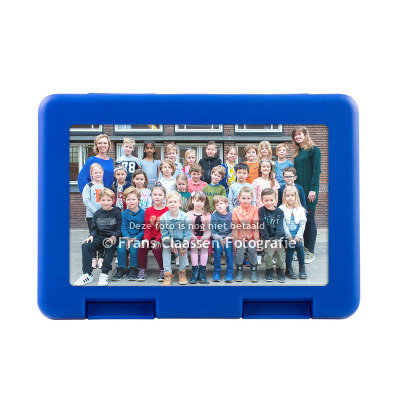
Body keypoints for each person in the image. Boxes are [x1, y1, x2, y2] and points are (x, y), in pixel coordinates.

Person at [74, 189, 121, 286]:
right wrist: (91, 235)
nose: (106, 202)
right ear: (99, 200)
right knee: (86, 245)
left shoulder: (117, 212)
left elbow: (119, 229)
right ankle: (87, 274)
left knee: (108, 244)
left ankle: (104, 273)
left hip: (113, 237)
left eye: (108, 200)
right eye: (103, 200)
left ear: (113, 201)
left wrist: (113, 237)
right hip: (100, 236)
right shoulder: (97, 213)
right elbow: (94, 228)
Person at [292, 126, 321, 263]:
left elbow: (316, 171)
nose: (297, 137)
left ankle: (310, 252)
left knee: (309, 219)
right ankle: (302, 250)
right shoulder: (298, 152)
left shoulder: (314, 150)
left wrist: (313, 189)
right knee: (300, 220)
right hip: (299, 190)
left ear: (305, 135)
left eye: (299, 134)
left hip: (310, 190)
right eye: (295, 135)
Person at [160, 191, 192, 286]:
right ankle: (167, 273)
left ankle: (182, 271)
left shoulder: (185, 217)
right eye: (170, 202)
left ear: (180, 203)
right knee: (166, 249)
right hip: (169, 240)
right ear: (166, 203)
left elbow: (188, 233)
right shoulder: (163, 217)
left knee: (183, 250)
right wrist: (171, 243)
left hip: (182, 239)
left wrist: (183, 244)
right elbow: (164, 234)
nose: (172, 204)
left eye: (175, 202)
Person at [113, 187, 145, 281]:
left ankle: (133, 268)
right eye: (129, 199)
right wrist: (127, 238)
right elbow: (123, 227)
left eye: (133, 199)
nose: (131, 202)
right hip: (127, 237)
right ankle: (121, 268)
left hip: (138, 237)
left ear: (138, 200)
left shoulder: (143, 213)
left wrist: (134, 239)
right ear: (125, 201)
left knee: (134, 247)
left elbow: (144, 229)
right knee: (120, 247)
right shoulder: (124, 214)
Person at [138, 185, 169, 282]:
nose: (157, 197)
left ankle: (162, 269)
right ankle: (142, 268)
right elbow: (147, 227)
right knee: (142, 246)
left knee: (156, 247)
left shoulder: (167, 210)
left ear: (164, 196)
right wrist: (146, 239)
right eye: (154, 195)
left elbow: (166, 229)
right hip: (150, 236)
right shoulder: (148, 210)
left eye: (160, 195)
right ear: (151, 196)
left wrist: (158, 240)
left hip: (163, 237)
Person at [232, 187, 259, 282]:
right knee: (240, 251)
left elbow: (255, 226)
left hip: (251, 237)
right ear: (239, 198)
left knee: (252, 251)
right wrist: (235, 241)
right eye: (243, 198)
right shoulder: (235, 210)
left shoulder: (255, 209)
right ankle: (239, 270)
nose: (246, 201)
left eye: (248, 198)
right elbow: (235, 227)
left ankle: (254, 270)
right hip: (240, 237)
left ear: (252, 199)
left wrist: (257, 240)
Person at [280, 186, 308, 279]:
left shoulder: (300, 209)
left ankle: (302, 268)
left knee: (299, 246)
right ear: (284, 197)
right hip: (285, 236)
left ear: (296, 197)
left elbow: (302, 224)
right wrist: (289, 236)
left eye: (292, 195)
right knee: (291, 246)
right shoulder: (282, 209)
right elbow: (283, 224)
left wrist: (298, 236)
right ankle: (289, 269)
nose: (290, 198)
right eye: (288, 196)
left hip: (296, 235)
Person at [258, 188, 286, 283]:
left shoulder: (280, 212)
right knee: (269, 252)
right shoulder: (261, 211)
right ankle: (269, 269)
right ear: (262, 201)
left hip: (277, 237)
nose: (269, 203)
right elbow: (262, 227)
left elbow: (280, 227)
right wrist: (267, 240)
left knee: (280, 252)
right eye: (266, 200)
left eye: (271, 200)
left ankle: (280, 269)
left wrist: (277, 240)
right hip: (266, 237)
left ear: (275, 200)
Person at [81, 163, 105, 270]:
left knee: (102, 235)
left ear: (103, 173)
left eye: (100, 172)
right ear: (91, 174)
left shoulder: (104, 187)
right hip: (92, 216)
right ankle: (93, 258)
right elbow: (86, 201)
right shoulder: (89, 186)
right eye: (95, 172)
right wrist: (96, 212)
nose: (98, 174)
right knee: (93, 236)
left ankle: (101, 257)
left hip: (103, 216)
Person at [186, 191, 212, 284]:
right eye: (197, 201)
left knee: (204, 246)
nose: (199, 203)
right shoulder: (188, 215)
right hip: (192, 237)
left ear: (204, 202)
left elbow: (208, 230)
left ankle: (202, 272)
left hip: (204, 237)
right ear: (193, 201)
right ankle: (195, 271)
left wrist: (203, 239)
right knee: (193, 246)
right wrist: (195, 239)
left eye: (201, 201)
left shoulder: (207, 215)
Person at [211, 196, 234, 283]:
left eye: (221, 204)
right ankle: (216, 272)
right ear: (215, 207)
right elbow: (213, 231)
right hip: (217, 237)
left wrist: (228, 237)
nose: (219, 206)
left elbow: (234, 230)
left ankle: (229, 273)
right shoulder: (214, 216)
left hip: (229, 237)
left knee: (228, 248)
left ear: (226, 204)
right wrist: (220, 239)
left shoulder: (231, 215)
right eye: (217, 205)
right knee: (217, 248)